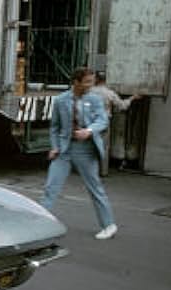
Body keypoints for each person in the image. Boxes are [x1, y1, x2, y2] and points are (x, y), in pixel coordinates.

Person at [41, 67, 117, 240]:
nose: (91, 85)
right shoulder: (61, 100)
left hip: (86, 150)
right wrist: (54, 146)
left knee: (95, 188)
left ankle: (109, 225)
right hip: (64, 150)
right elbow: (55, 127)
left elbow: (102, 120)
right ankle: (39, 225)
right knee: (50, 188)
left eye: (92, 81)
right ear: (76, 82)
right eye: (87, 82)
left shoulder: (95, 99)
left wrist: (89, 131)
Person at [89, 71, 143, 175]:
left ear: (96, 79)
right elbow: (122, 105)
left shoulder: (89, 92)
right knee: (104, 146)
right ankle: (103, 171)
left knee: (90, 145)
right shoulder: (109, 93)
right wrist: (133, 97)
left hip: (90, 121)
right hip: (104, 122)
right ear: (105, 80)